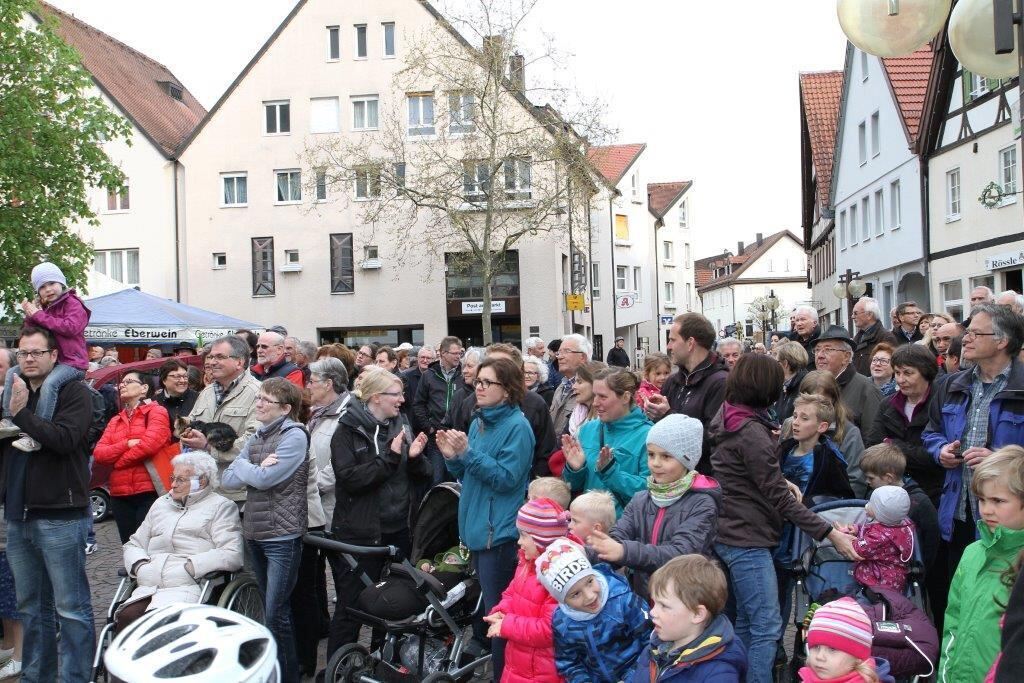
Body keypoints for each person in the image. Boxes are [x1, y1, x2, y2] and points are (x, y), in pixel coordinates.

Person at [708, 353, 860, 683]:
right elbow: (778, 497)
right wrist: (829, 532)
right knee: (767, 626)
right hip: (747, 537)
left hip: (731, 530)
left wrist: (777, 480)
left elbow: (753, 478)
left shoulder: (730, 417)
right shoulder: (751, 431)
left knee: (747, 623)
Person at [1, 326, 95, 683]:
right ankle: (36, 677)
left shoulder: (74, 392)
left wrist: (21, 415)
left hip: (61, 515)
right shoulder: (14, 390)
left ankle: (75, 678)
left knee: (70, 608)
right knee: (30, 608)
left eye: (36, 352)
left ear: (54, 355)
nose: (28, 359)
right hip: (18, 514)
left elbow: (66, 439)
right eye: (23, 353)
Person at [436, 357, 534, 679]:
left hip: (499, 535)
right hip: (477, 529)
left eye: (486, 382)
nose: (477, 387)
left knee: (498, 615)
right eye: (477, 381)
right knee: (488, 611)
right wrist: (453, 458)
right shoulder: (480, 421)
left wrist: (467, 454)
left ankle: (503, 675)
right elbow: (469, 473)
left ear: (506, 390)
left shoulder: (517, 427)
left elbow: (507, 478)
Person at [325, 366, 430, 664]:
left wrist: (414, 460)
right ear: (375, 397)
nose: (401, 400)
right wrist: (391, 458)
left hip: (398, 529)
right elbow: (352, 480)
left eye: (402, 394)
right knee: (351, 605)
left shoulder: (402, 423)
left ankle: (381, 663)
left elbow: (423, 475)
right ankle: (339, 667)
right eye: (396, 394)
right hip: (360, 533)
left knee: (392, 604)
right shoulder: (348, 430)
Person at [922, 303, 1024, 577]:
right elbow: (931, 432)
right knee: (963, 593)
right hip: (958, 513)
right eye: (966, 332)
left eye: (975, 334)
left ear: (1002, 341)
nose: (964, 339)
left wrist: (1000, 461)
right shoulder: (950, 384)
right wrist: (940, 450)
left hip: (1010, 523)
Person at [222, 378, 310, 682]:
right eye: (258, 398)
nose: (258, 404)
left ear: (285, 409)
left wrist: (253, 469)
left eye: (265, 401)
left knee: (276, 613)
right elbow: (229, 480)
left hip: (282, 536)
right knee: (267, 610)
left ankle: (288, 676)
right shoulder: (259, 434)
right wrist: (256, 467)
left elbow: (262, 480)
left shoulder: (294, 435)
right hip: (255, 531)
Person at [588, 414, 721, 600]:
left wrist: (623, 551)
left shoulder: (702, 503)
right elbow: (618, 536)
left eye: (666, 456)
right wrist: (586, 554)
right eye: (651, 454)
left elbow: (680, 554)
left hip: (685, 601)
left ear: (687, 460)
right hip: (645, 597)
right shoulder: (641, 499)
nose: (656, 463)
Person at [121, 452, 242, 622]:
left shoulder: (221, 507)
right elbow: (134, 544)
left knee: (157, 623)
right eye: (172, 478)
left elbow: (232, 553)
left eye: (181, 480)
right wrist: (139, 565)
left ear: (201, 481)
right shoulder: (161, 504)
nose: (173, 484)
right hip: (149, 584)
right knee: (126, 618)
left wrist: (191, 567)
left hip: (188, 586)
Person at [939, 446, 1024, 683]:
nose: (987, 510)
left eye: (998, 500)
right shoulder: (971, 554)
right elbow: (953, 623)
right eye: (982, 500)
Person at [0, 263, 90, 453]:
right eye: (42, 286)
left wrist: (38, 314)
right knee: (12, 372)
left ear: (62, 283)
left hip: (73, 362)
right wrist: (30, 314)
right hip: (55, 361)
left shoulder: (73, 303)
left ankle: (36, 434)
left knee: (49, 384)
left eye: (52, 283)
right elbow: (31, 332)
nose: (48, 289)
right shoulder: (44, 309)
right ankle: (8, 420)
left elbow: (70, 327)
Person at [538, 538, 650, 683]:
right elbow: (569, 663)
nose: (590, 596)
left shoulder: (624, 601)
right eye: (576, 594)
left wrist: (632, 678)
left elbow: (652, 641)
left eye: (590, 582)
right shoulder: (562, 623)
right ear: (563, 600)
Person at [482, 497, 565, 683]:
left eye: (524, 535)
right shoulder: (527, 562)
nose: (519, 542)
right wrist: (502, 611)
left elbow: (550, 630)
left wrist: (507, 625)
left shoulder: (557, 576)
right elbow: (512, 593)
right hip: (519, 662)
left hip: (543, 670)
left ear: (542, 539)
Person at [629, 554, 747, 682]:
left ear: (697, 614)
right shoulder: (655, 648)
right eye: (654, 602)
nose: (652, 612)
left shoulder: (719, 672)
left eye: (664, 606)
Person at [93, 372, 173, 543]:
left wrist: (118, 463)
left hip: (150, 491)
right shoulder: (116, 420)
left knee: (151, 545)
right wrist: (126, 444)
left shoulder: (156, 411)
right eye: (122, 382)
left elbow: (149, 445)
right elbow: (100, 454)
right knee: (129, 545)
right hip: (119, 493)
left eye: (129, 381)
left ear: (144, 388)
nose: (122, 385)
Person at [644, 313, 728, 474]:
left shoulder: (721, 383)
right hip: (671, 481)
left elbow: (715, 440)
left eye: (673, 340)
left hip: (703, 482)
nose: (668, 346)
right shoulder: (673, 381)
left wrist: (667, 415)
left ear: (690, 343)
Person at [181, 336, 262, 503]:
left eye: (219, 357)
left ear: (239, 362)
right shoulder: (207, 392)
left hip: (238, 493)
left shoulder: (258, 393)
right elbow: (193, 422)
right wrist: (186, 433)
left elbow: (255, 443)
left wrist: (208, 446)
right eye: (211, 357)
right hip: (205, 489)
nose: (211, 362)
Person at [562, 369, 653, 512]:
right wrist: (575, 469)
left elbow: (651, 489)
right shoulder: (587, 430)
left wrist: (611, 473)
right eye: (595, 395)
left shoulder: (649, 435)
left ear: (625, 397)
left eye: (602, 397)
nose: (595, 403)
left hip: (624, 529)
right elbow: (573, 486)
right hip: (586, 524)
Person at [865, 344, 943, 506]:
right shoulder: (888, 404)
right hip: (891, 492)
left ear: (925, 372)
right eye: (898, 372)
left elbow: (932, 456)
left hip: (933, 493)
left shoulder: (942, 403)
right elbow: (873, 446)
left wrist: (892, 444)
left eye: (908, 373)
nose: (900, 379)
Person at [776, 393, 854, 507]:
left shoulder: (830, 458)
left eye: (804, 418)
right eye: (795, 416)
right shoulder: (783, 449)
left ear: (821, 427)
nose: (796, 422)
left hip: (809, 518)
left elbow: (843, 498)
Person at [798, 371, 867, 497]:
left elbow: (855, 481)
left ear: (834, 400)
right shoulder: (792, 425)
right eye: (810, 401)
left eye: (822, 402)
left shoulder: (849, 433)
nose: (816, 408)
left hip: (830, 509)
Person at [799, 597, 892, 682]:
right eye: (816, 647)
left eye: (832, 649)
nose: (819, 657)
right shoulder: (808, 677)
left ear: (858, 658)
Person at [810, 326, 883, 433]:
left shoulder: (867, 390)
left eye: (828, 350)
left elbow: (872, 439)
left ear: (846, 357)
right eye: (817, 350)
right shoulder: (813, 385)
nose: (820, 355)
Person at [842, 486, 915, 592]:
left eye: (872, 504)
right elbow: (875, 528)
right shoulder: (903, 525)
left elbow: (857, 549)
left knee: (861, 600)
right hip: (895, 576)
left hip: (880, 584)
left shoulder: (878, 538)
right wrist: (857, 529)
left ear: (882, 513)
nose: (867, 505)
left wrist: (842, 536)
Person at [413, 336, 464, 485]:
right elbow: (418, 404)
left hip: (458, 436)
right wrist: (429, 427)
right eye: (454, 353)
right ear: (443, 353)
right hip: (437, 436)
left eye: (460, 353)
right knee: (436, 479)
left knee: (458, 479)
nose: (458, 356)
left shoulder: (464, 374)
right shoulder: (429, 375)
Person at [550, 334, 591, 435]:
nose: (559, 357)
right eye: (559, 352)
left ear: (583, 357)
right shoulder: (560, 388)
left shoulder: (591, 390)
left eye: (566, 351)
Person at [154, 359, 199, 434]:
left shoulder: (198, 398)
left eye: (185, 376)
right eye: (177, 377)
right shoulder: (154, 402)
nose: (182, 380)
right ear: (164, 380)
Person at [401, 345, 435, 432]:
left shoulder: (439, 377)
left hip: (433, 427)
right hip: (413, 426)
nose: (425, 360)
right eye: (422, 357)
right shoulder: (406, 376)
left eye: (428, 358)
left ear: (434, 360)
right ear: (417, 358)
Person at [775, 341, 810, 422]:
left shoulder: (806, 385)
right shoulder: (785, 384)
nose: (776, 366)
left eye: (777, 362)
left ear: (785, 363)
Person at [790, 305, 822, 369]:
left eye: (803, 319)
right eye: (797, 320)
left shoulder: (822, 342)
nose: (799, 323)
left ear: (814, 323)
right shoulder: (791, 341)